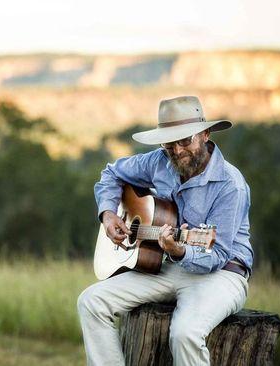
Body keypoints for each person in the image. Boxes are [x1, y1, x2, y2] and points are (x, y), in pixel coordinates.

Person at [77, 96, 253, 366]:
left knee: (185, 334)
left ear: (205, 134)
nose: (177, 150)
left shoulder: (231, 185)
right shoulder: (159, 161)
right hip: (168, 265)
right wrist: (109, 213)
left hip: (223, 273)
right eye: (169, 142)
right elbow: (112, 174)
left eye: (185, 140)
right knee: (91, 301)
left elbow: (217, 253)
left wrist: (181, 251)